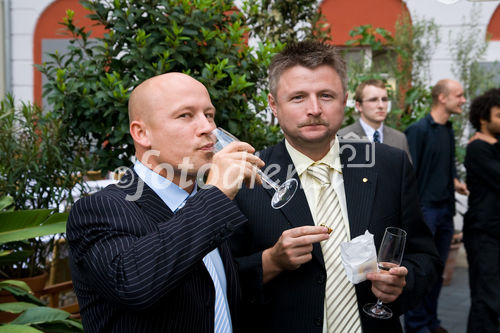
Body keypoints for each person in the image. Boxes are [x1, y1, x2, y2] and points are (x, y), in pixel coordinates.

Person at [229, 41, 440, 333]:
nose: (314, 109)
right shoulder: (244, 177)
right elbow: (220, 281)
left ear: (344, 100)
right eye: (298, 97)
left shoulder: (389, 165)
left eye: (326, 95)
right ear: (273, 105)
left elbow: (424, 256)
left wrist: (404, 283)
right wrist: (271, 261)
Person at [66, 72, 264, 332]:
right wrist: (216, 192)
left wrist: (275, 259)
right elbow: (134, 285)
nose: (207, 128)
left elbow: (210, 291)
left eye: (209, 114)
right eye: (185, 115)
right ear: (142, 133)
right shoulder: (100, 209)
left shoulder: (210, 204)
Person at [404, 79, 469, 333]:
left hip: (445, 211)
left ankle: (431, 321)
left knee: (438, 273)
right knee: (421, 272)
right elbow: (410, 176)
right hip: (425, 211)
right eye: (459, 95)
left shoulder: (448, 129)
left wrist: (455, 182)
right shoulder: (417, 131)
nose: (463, 100)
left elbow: (446, 165)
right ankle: (417, 325)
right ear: (442, 98)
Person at [463, 88, 500, 333]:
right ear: (483, 119)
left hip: (495, 231)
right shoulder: (477, 149)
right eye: (499, 115)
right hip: (483, 233)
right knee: (486, 298)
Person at [338, 79, 411, 161]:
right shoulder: (342, 138)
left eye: (384, 99)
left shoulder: (399, 139)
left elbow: (407, 172)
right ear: (358, 106)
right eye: (373, 100)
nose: (381, 105)